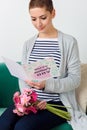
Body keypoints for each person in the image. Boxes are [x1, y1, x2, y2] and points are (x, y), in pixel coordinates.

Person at [0, 0, 81, 130]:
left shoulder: (69, 42)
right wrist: (29, 99)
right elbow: (23, 76)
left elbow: (75, 80)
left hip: (56, 104)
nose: (38, 24)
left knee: (22, 127)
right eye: (33, 19)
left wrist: (46, 85)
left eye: (43, 18)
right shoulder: (28, 44)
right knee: (3, 124)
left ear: (53, 13)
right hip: (31, 101)